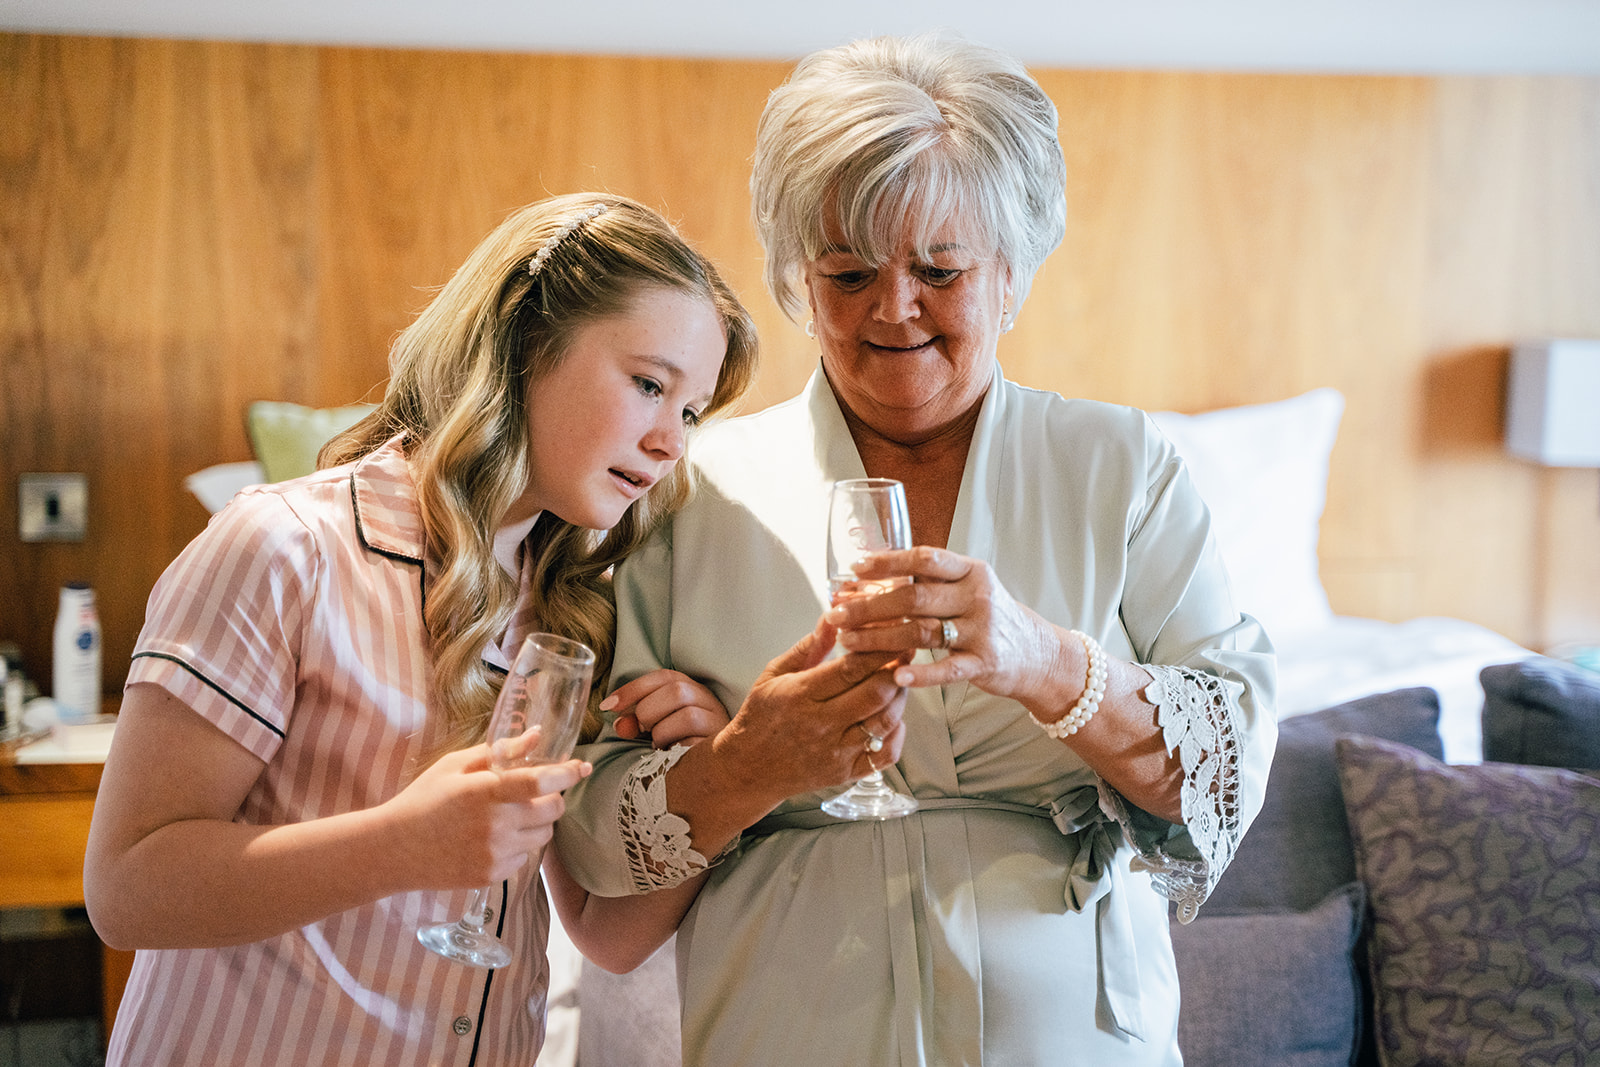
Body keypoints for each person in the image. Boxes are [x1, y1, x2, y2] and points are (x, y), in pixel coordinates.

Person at [553, 34, 1278, 1065]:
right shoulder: (685, 491)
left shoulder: (1118, 466)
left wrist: (1044, 662)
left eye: (939, 269)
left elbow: (1231, 768)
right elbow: (591, 845)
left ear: (1012, 271)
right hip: (784, 1027)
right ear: (798, 282)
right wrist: (748, 760)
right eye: (847, 274)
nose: (892, 308)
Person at [83, 192, 758, 1066]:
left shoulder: (566, 610)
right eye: (649, 384)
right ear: (524, 344)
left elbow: (604, 933)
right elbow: (127, 887)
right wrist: (401, 845)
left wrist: (720, 781)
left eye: (692, 411)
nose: (672, 441)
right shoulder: (286, 549)